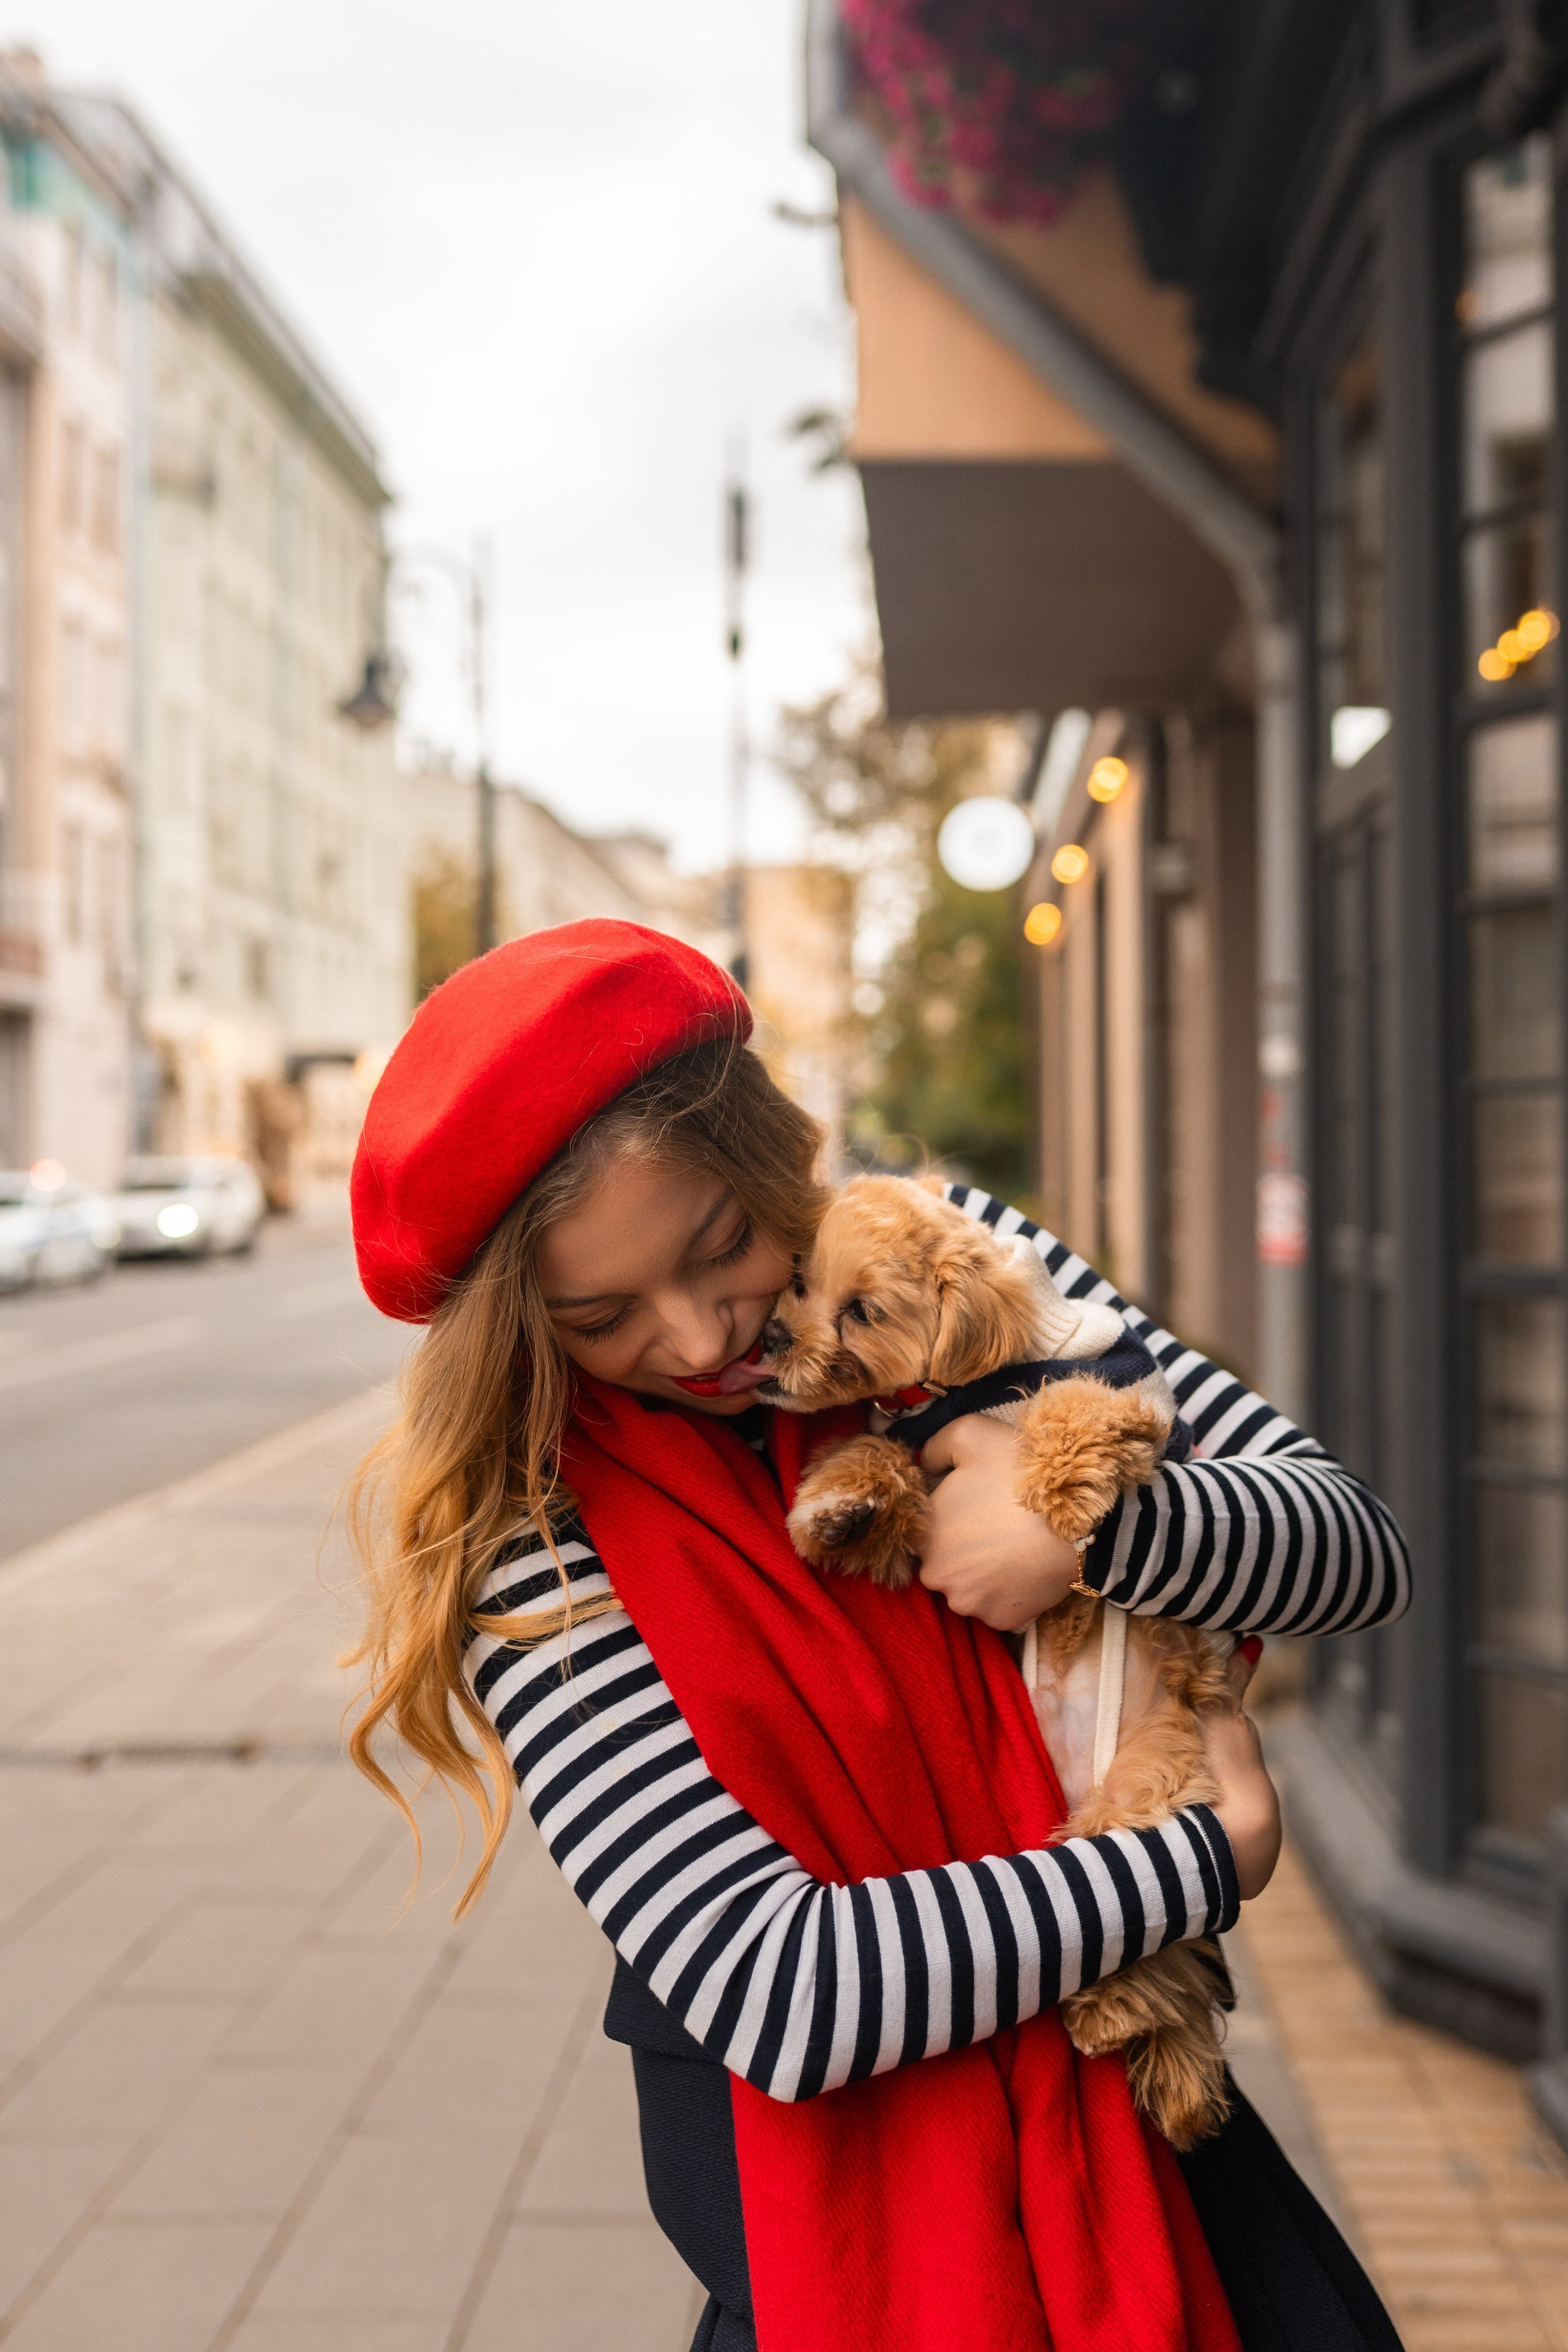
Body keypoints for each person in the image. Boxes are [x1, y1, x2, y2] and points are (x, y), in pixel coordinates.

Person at [347, 919, 1410, 2352]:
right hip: (836, 2253)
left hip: (1147, 2163)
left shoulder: (929, 1259)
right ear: (523, 1325)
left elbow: (1355, 1549)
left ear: (770, 1160)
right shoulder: (524, 1540)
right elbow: (774, 1986)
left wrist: (1089, 1534)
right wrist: (1192, 1863)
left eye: (723, 1245)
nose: (698, 1338)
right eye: (598, 1315)